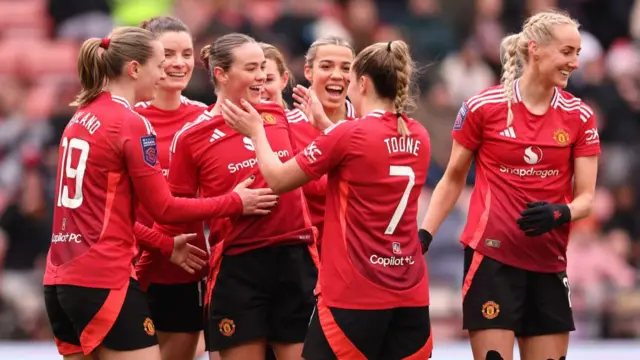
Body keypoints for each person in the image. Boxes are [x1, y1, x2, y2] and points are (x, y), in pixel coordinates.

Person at [43, 27, 276, 360]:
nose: (165, 72)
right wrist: (236, 201)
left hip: (59, 279)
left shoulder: (80, 116)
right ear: (135, 69)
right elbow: (164, 208)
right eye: (159, 63)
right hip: (104, 276)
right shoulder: (130, 121)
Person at [222, 40, 433, 360]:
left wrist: (256, 133)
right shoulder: (417, 134)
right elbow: (365, 155)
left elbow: (278, 180)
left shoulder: (349, 134)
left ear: (361, 82)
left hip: (355, 294)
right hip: (411, 293)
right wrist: (325, 125)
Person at [419, 10, 600, 360]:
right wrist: (424, 234)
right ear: (535, 49)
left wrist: (561, 212)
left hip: (548, 263)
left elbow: (587, 198)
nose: (575, 63)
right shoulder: (483, 107)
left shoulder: (580, 116)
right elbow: (453, 177)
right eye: (567, 52)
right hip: (492, 262)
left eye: (577, 53)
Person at [162, 33, 318, 360]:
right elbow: (176, 209)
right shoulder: (192, 136)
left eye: (263, 67)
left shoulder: (283, 118)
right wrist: (230, 204)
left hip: (295, 257)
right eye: (251, 68)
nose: (261, 76)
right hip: (239, 265)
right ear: (221, 74)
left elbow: (326, 168)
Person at [133, 16, 209, 360]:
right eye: (169, 54)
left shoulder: (206, 118)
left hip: (186, 270)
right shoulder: (128, 119)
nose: (180, 63)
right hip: (130, 268)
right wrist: (160, 243)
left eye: (187, 53)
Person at [287, 36, 356, 251]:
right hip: (301, 259)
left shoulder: (368, 126)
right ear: (308, 72)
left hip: (354, 254)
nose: (337, 75)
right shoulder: (286, 128)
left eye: (346, 68)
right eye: (326, 66)